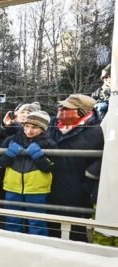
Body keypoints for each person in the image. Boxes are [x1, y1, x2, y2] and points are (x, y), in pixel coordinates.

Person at [47, 94, 104, 241]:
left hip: (76, 191)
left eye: (66, 108)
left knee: (75, 232)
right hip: (49, 186)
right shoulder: (52, 125)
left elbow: (105, 157)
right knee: (50, 229)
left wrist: (90, 175)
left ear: (81, 111)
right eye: (60, 106)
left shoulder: (97, 131)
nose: (60, 109)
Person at [0, 110, 56, 236]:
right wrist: (9, 154)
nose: (29, 130)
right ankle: (13, 245)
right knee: (12, 220)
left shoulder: (49, 143)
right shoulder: (12, 139)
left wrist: (38, 156)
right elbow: (0, 163)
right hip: (12, 186)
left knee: (36, 221)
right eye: (27, 126)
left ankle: (37, 247)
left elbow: (51, 167)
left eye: (34, 127)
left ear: (43, 129)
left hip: (37, 189)